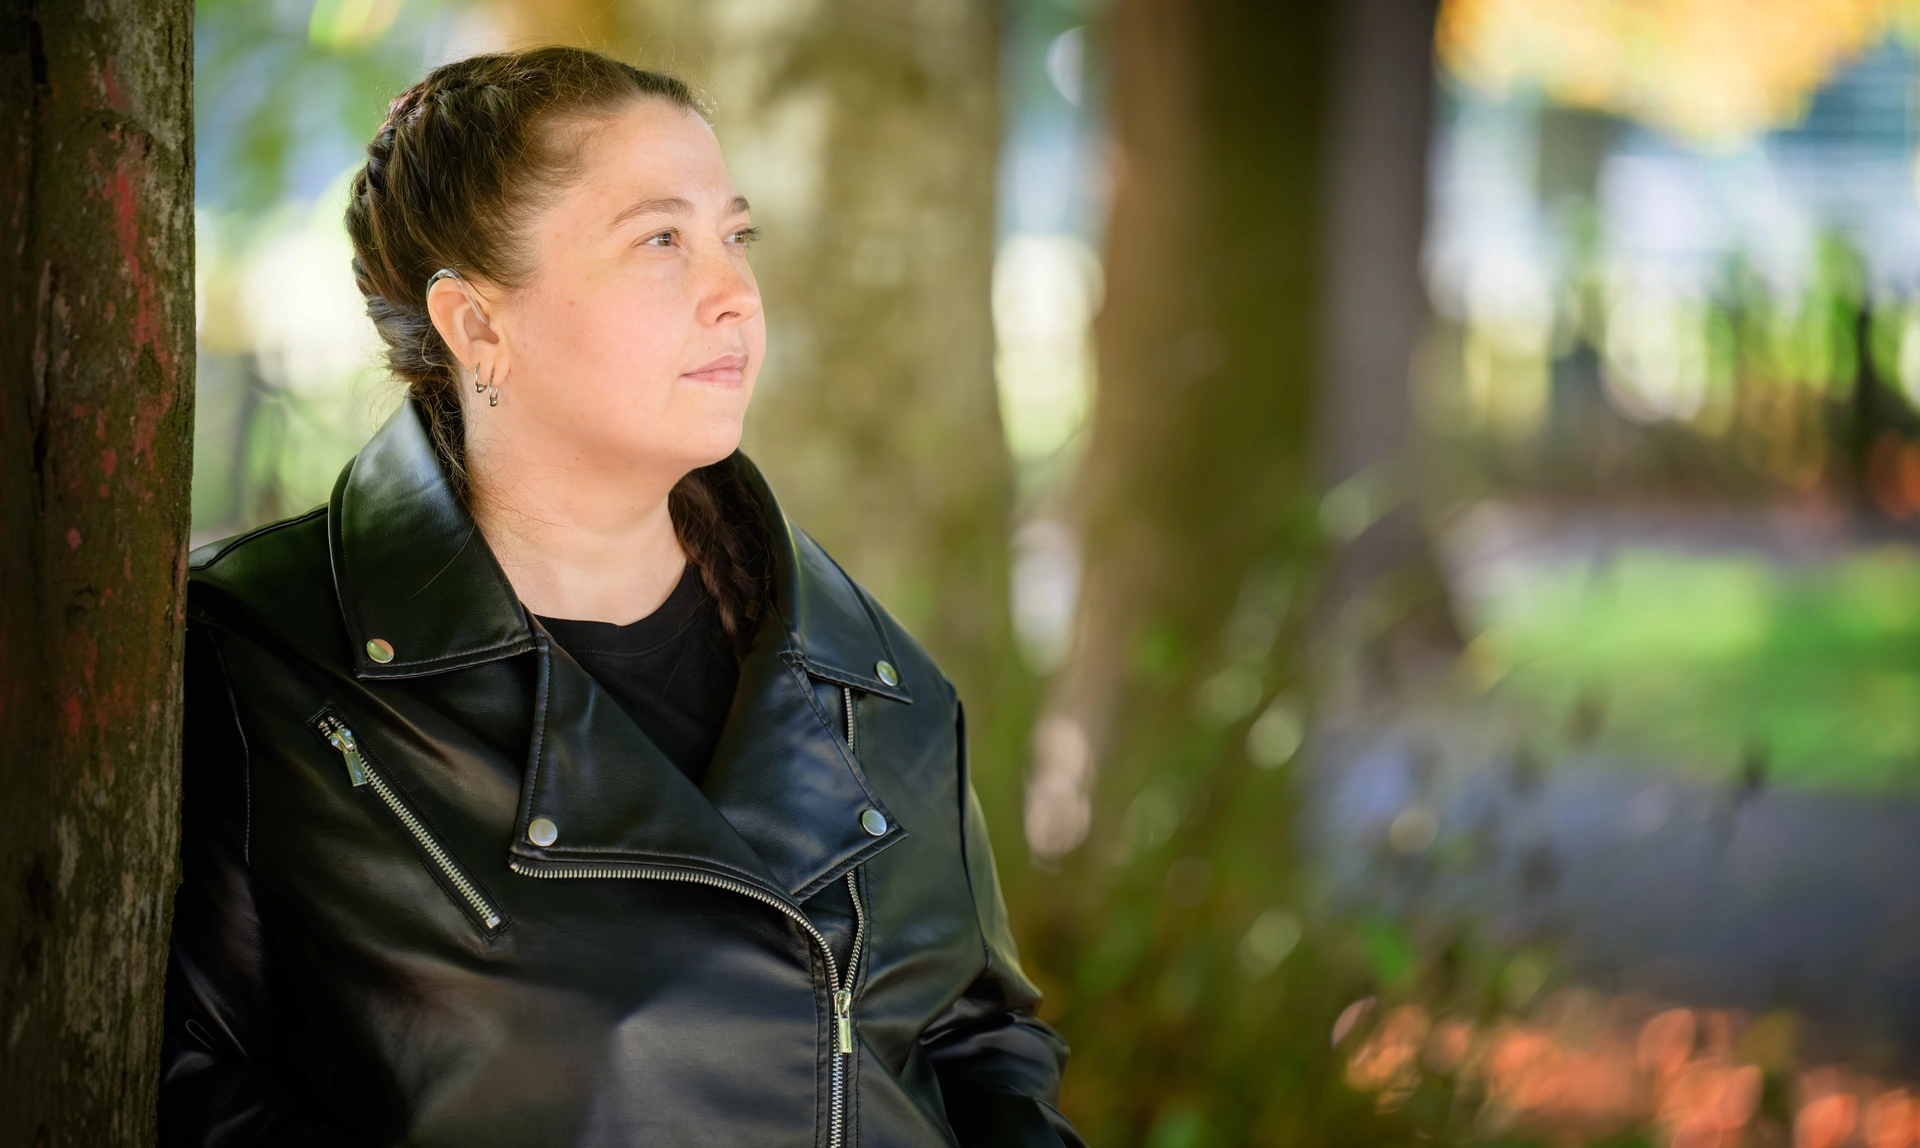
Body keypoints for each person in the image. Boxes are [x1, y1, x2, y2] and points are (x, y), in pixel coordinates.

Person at [161, 46, 1080, 1148]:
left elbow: (981, 1046)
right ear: (478, 326)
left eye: (736, 236)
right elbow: (193, 1086)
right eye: (661, 240)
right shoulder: (265, 662)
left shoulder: (872, 680)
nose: (734, 292)